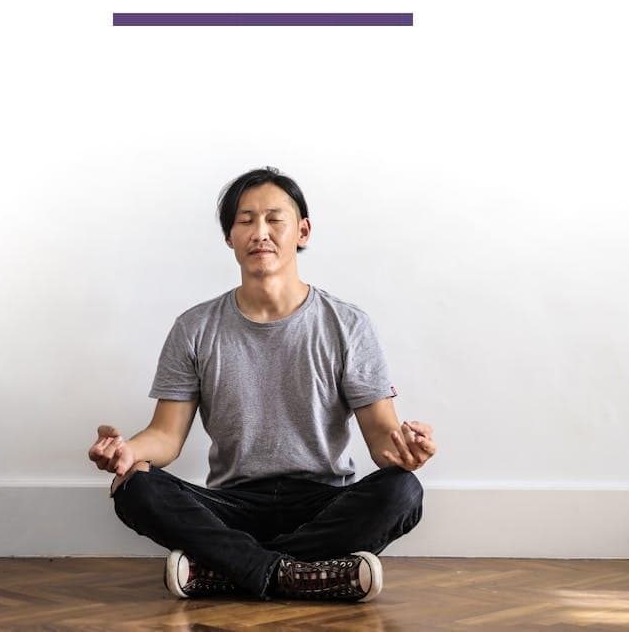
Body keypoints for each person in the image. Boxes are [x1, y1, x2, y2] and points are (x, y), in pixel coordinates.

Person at [87, 167, 435, 602]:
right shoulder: (195, 327)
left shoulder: (348, 324)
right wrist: (127, 452)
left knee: (403, 490)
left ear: (303, 232)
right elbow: (166, 435)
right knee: (134, 485)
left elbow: (382, 437)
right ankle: (304, 574)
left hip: (323, 502)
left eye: (274, 219)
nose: (260, 232)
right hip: (232, 505)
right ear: (229, 237)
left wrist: (406, 448)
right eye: (245, 220)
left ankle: (229, 569)